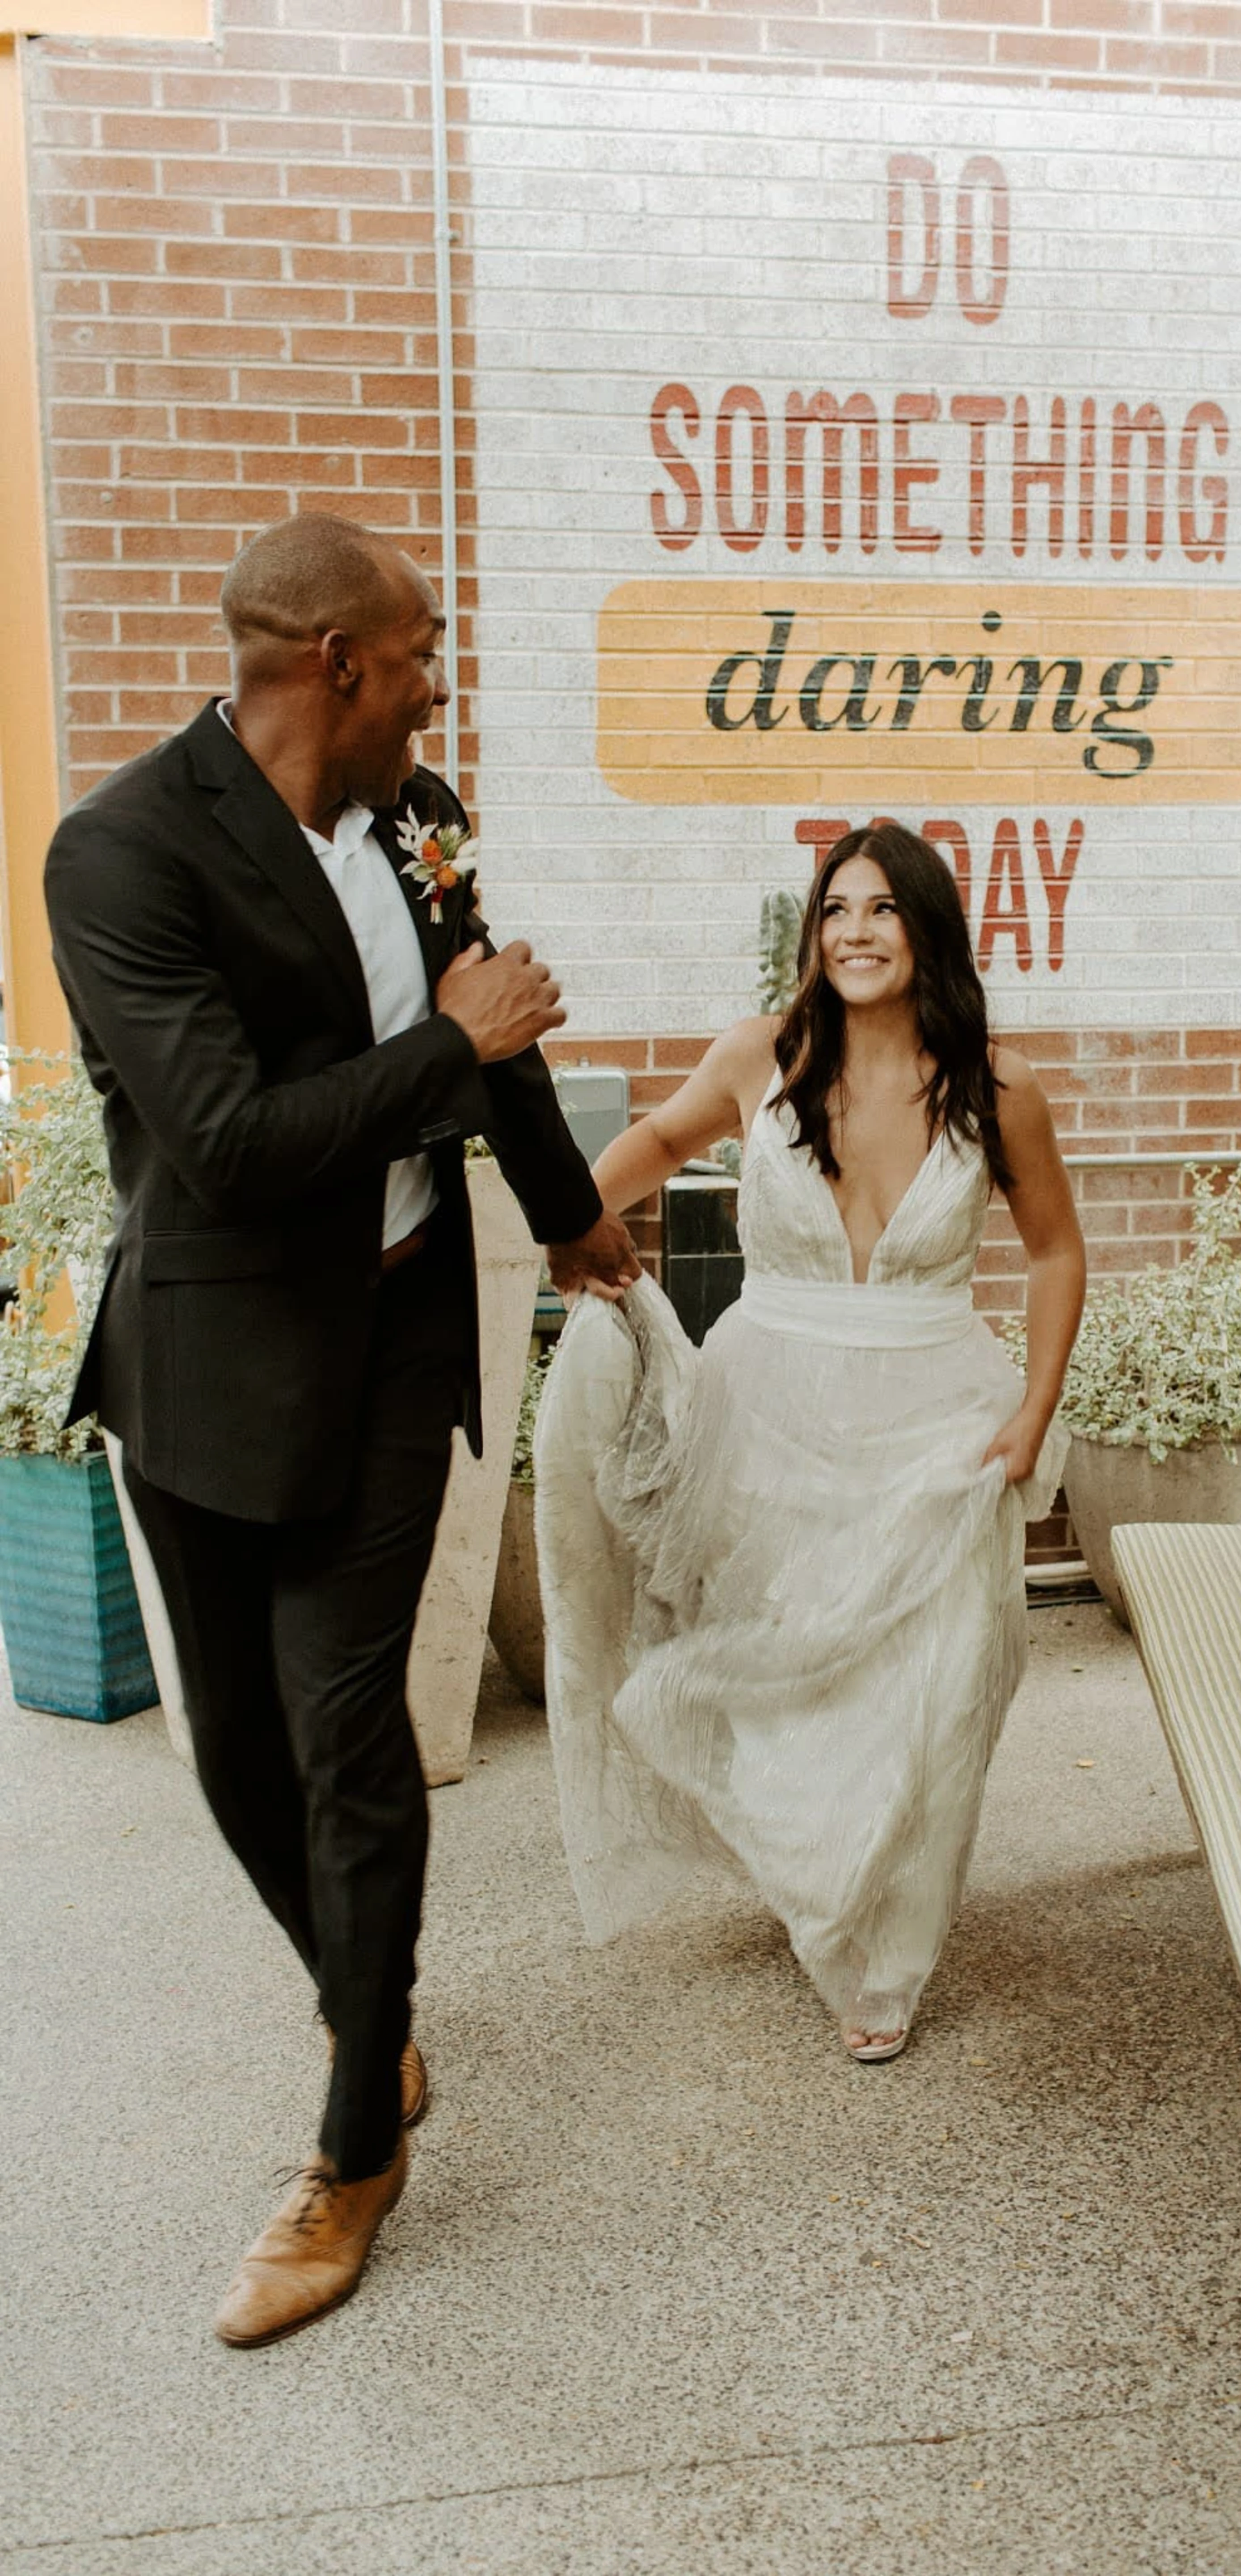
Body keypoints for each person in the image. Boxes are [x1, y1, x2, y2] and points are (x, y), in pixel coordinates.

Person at [43, 512, 640, 2348]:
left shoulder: (415, 812)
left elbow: (500, 1038)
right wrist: (450, 1049)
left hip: (393, 1337)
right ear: (336, 667)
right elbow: (224, 1144)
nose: (441, 686)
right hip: (214, 1363)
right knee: (236, 1756)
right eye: (424, 654)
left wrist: (562, 1211)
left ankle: (348, 2153)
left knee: (347, 1729)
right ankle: (369, 2014)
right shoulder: (122, 855)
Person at [535, 822, 1085, 2060]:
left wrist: (1034, 1408)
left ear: (927, 929)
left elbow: (1056, 1252)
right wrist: (573, 1227)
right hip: (767, 1415)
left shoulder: (999, 1095)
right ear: (813, 931)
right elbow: (664, 1142)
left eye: (884, 909)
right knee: (790, 1672)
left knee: (933, 1694)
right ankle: (815, 1872)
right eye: (836, 909)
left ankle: (883, 1958)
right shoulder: (758, 1058)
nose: (856, 931)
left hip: (937, 1423)